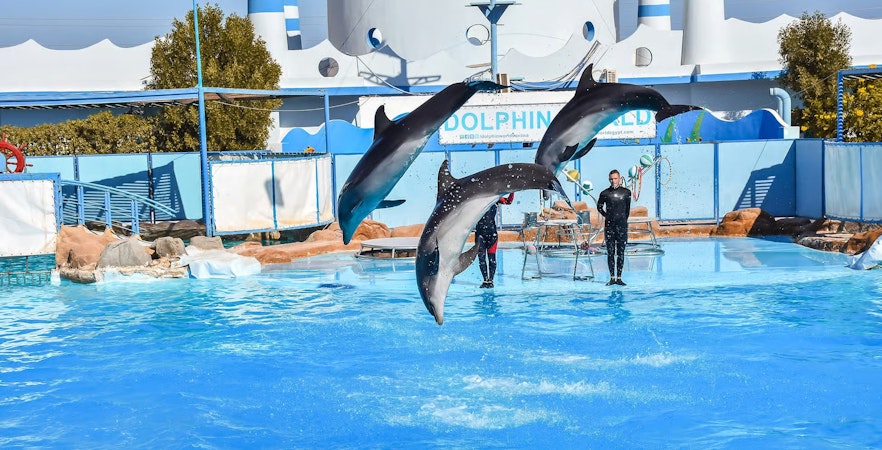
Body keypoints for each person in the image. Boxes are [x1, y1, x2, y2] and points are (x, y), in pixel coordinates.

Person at [597, 169, 631, 286]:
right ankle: (612, 277)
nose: (613, 181)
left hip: (622, 226)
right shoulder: (605, 193)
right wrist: (607, 216)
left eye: (615, 178)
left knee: (621, 252)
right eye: (611, 179)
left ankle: (619, 278)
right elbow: (599, 207)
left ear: (619, 179)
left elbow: (627, 209)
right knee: (610, 252)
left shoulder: (626, 192)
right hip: (609, 227)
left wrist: (623, 220)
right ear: (609, 179)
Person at [476, 192, 514, 288]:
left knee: (492, 258)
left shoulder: (495, 198)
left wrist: (512, 191)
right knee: (481, 259)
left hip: (491, 234)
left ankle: (491, 280)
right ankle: (485, 280)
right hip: (480, 234)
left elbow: (508, 202)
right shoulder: (476, 200)